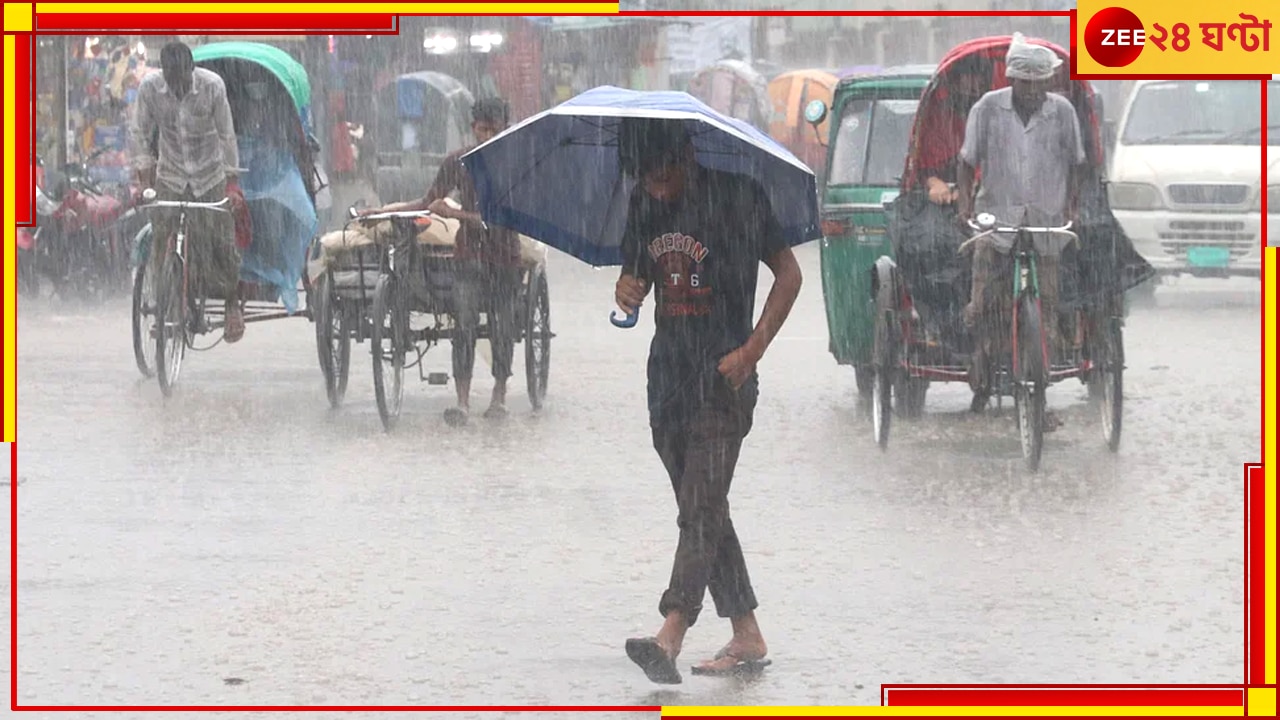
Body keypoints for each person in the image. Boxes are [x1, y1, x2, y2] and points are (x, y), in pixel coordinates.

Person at [614, 118, 803, 684]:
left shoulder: (739, 196)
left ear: (688, 155)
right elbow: (637, 278)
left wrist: (753, 350)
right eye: (646, 179)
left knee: (699, 507)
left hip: (725, 380)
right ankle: (746, 633)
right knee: (705, 508)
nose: (657, 188)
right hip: (667, 383)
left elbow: (790, 275)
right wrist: (627, 288)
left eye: (665, 175)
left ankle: (670, 632)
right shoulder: (643, 202)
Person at [360, 97, 518, 426]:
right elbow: (426, 201)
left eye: (494, 130)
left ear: (505, 129)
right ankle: (461, 402)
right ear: (473, 128)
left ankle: (499, 394)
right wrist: (384, 212)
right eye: (481, 129)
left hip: (504, 260)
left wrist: (454, 213)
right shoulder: (457, 162)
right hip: (468, 258)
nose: (486, 136)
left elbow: (499, 219)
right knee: (464, 327)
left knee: (503, 328)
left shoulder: (514, 163)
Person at [957, 34, 1087, 415]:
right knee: (983, 304)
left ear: (1049, 82)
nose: (1032, 90)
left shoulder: (1062, 112)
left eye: (1039, 83)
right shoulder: (987, 108)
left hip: (1046, 219)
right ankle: (980, 367)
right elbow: (966, 162)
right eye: (1024, 82)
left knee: (1045, 305)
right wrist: (965, 206)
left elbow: (1077, 164)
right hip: (997, 219)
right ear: (1011, 79)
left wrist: (1072, 207)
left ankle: (1037, 391)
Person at [129, 42, 245, 342]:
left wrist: (232, 184)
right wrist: (143, 179)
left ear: (190, 70)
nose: (177, 86)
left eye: (182, 78)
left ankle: (232, 305)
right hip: (171, 174)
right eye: (171, 78)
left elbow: (226, 135)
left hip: (209, 174)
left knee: (222, 241)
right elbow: (139, 133)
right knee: (159, 239)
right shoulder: (150, 88)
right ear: (163, 73)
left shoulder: (212, 87)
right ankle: (164, 303)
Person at [918, 56, 994, 207]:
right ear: (955, 80)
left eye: (979, 78)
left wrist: (970, 188)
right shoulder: (938, 115)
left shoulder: (995, 113)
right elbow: (924, 164)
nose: (974, 84)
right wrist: (935, 183)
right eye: (968, 77)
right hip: (941, 204)